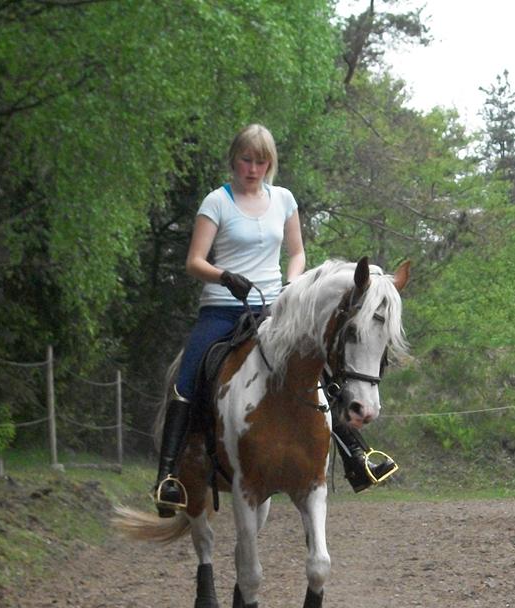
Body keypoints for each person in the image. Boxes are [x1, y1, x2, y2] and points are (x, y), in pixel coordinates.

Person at [153, 123, 398, 516]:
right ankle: (168, 477)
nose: (253, 168)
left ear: (270, 164)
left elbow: (297, 252)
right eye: (246, 160)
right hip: (221, 306)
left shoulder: (283, 199)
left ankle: (357, 454)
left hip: (271, 306)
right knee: (187, 379)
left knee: (316, 369)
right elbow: (194, 262)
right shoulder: (215, 202)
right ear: (234, 159)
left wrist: (291, 284)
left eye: (261, 161)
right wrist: (223, 276)